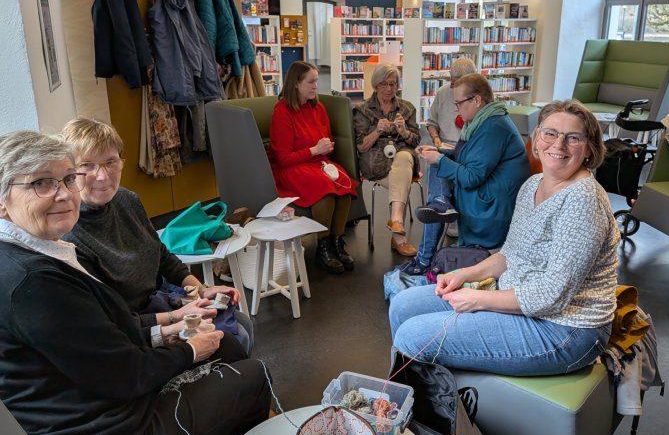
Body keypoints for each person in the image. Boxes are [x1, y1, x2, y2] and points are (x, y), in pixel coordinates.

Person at [0, 130, 271, 435]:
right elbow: (125, 372)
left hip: (111, 390)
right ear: (2, 202)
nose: (65, 194)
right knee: (255, 375)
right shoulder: (33, 281)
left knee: (229, 343)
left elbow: (105, 336)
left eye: (68, 179)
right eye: (43, 183)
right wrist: (186, 347)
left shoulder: (50, 249)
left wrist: (176, 317)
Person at [390, 99, 619, 376]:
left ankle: (410, 414)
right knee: (403, 305)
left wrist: (477, 300)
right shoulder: (533, 185)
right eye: (550, 133)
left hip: (565, 330)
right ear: (536, 139)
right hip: (519, 300)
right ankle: (406, 406)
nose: (558, 145)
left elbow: (552, 296)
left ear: (589, 148)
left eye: (573, 138)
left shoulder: (583, 200)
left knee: (412, 336)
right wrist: (465, 274)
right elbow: (510, 254)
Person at [61, 118, 255, 355]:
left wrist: (201, 289)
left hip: (162, 298)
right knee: (235, 338)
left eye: (110, 162)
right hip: (134, 329)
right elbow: (114, 320)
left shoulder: (126, 199)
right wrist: (176, 316)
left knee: (243, 323)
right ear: (69, 172)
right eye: (88, 165)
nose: (102, 176)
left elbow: (160, 254)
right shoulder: (71, 237)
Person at [402, 73, 530, 275]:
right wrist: (440, 154)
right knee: (436, 163)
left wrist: (441, 159)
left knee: (438, 165)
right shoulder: (483, 122)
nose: (456, 109)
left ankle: (426, 252)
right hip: (488, 195)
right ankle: (440, 203)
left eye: (459, 103)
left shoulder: (493, 127)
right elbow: (467, 157)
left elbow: (472, 177)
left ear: (477, 100)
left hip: (491, 205)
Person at [270, 61, 358, 274]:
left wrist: (326, 147)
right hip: (293, 167)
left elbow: (324, 137)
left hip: (316, 161)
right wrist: (314, 150)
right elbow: (283, 158)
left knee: (344, 183)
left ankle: (337, 241)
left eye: (316, 81)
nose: (315, 86)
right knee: (324, 189)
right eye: (311, 82)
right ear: (296, 84)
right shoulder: (282, 111)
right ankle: (323, 247)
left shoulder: (318, 107)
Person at [353, 63, 421, 257]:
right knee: (402, 180)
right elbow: (360, 146)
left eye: (393, 84)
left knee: (405, 156)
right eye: (384, 84)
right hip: (375, 164)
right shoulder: (362, 110)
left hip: (401, 159)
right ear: (375, 85)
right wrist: (377, 131)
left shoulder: (407, 108)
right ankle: (398, 235)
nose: (389, 89)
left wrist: (404, 131)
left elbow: (415, 141)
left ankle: (397, 225)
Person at [423, 56, 477, 239]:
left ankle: (446, 208)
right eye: (452, 81)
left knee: (452, 165)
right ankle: (441, 204)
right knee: (435, 159)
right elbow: (431, 123)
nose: (453, 86)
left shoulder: (480, 99)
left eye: (458, 83)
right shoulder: (443, 93)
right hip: (445, 143)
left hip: (470, 147)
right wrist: (436, 140)